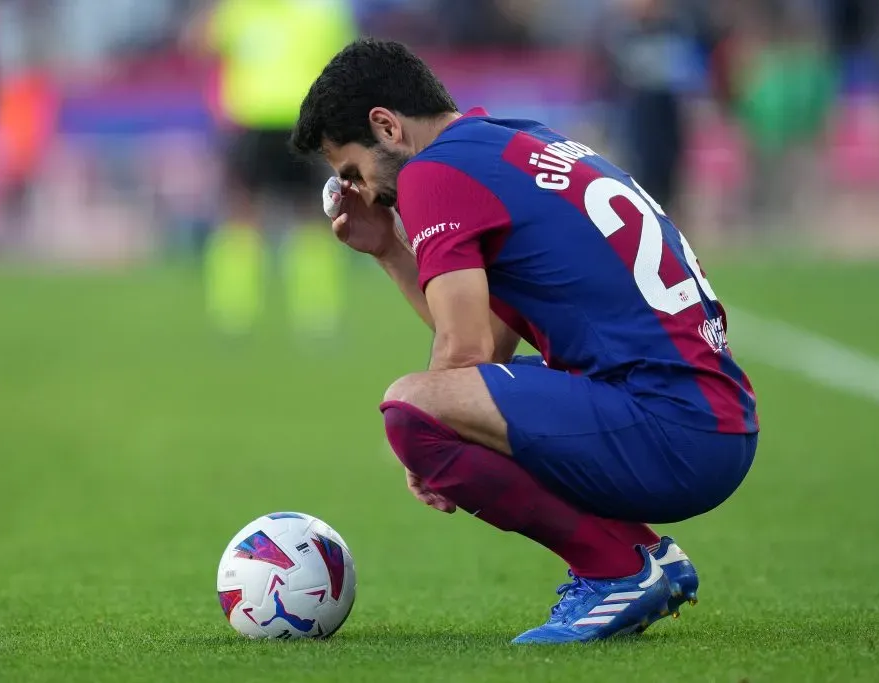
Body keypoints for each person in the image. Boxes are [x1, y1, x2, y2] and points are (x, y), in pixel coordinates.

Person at [292, 39, 759, 644]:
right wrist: (387, 248)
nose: (367, 192)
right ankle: (647, 558)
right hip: (709, 419)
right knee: (426, 406)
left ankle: (617, 570)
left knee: (409, 406)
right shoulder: (512, 140)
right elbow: (489, 344)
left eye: (353, 171)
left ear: (387, 126)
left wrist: (423, 431)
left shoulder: (434, 173)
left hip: (671, 427)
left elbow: (462, 357)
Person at [188, 0, 357, 337]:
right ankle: (245, 313)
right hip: (258, 123)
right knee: (253, 215)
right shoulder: (244, 11)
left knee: (303, 216)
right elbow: (200, 43)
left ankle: (304, 314)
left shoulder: (313, 12)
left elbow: (345, 65)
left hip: (292, 122)